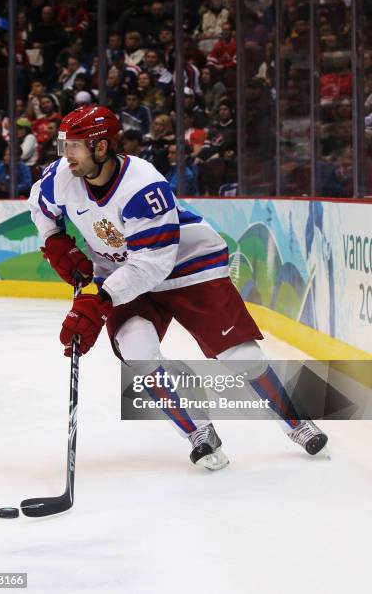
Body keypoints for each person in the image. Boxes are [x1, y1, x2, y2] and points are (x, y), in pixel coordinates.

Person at [29, 105, 328, 471]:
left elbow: (151, 265)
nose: (66, 155)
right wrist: (54, 240)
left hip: (187, 265)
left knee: (240, 357)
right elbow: (40, 206)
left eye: (75, 146)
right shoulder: (63, 176)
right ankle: (198, 432)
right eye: (64, 144)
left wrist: (100, 301)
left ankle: (297, 424)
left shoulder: (143, 185)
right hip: (123, 270)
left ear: (102, 147)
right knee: (138, 350)